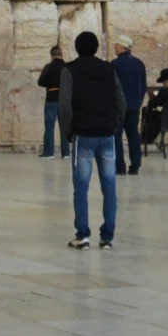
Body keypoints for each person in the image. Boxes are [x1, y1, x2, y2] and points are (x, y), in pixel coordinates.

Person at [58, 31, 121, 249]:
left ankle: (83, 235)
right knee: (109, 186)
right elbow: (119, 100)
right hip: (106, 134)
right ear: (96, 48)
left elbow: (65, 106)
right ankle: (107, 237)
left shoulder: (69, 70)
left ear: (76, 47)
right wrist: (113, 124)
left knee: (81, 187)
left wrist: (68, 132)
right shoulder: (109, 69)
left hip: (83, 134)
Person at [110, 35, 148, 175]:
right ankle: (136, 165)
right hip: (134, 105)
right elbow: (143, 86)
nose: (114, 47)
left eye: (116, 45)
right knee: (133, 134)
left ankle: (120, 166)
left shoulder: (114, 64)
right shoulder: (139, 64)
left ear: (121, 47)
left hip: (119, 107)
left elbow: (111, 87)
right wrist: (138, 101)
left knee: (117, 135)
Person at [36, 45, 68, 159]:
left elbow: (40, 81)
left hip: (52, 98)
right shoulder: (67, 67)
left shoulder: (48, 67)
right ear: (61, 54)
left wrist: (50, 84)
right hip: (64, 100)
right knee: (64, 127)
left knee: (49, 127)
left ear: (52, 55)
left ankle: (49, 153)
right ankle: (66, 153)